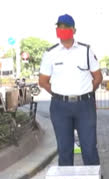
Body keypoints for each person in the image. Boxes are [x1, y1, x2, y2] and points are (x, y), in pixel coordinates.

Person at [39, 14, 102, 166]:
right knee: (65, 149)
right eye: (59, 27)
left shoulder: (86, 51)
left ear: (74, 30)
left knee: (89, 148)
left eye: (66, 27)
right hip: (60, 107)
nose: (62, 30)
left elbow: (98, 77)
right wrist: (59, 95)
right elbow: (43, 81)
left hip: (84, 106)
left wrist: (86, 92)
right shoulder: (50, 54)